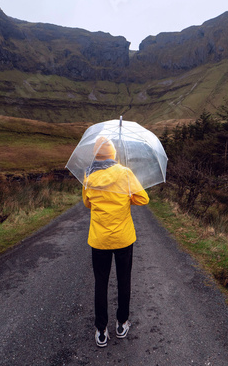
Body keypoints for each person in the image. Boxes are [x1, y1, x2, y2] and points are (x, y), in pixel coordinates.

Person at [82, 136, 149, 348]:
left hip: (99, 240)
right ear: (113, 154)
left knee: (100, 283)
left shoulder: (88, 175)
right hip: (123, 239)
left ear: (96, 155)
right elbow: (143, 199)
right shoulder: (125, 173)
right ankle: (121, 324)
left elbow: (87, 203)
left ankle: (101, 330)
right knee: (124, 280)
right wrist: (126, 194)